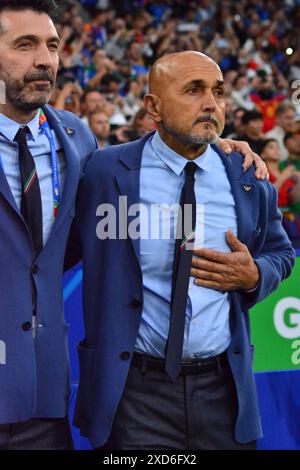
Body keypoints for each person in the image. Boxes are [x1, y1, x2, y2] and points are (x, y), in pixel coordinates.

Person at [68, 51, 294, 450]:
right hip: (132, 393)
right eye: (193, 90)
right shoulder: (103, 173)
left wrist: (256, 275)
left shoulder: (246, 174)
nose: (211, 103)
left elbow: (281, 253)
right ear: (152, 106)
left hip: (223, 392)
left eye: (219, 92)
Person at [0, 0, 97, 449]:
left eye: (52, 45)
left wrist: (214, 151)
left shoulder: (78, 137)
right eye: (25, 44)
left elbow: (71, 245)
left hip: (44, 394)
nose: (45, 60)